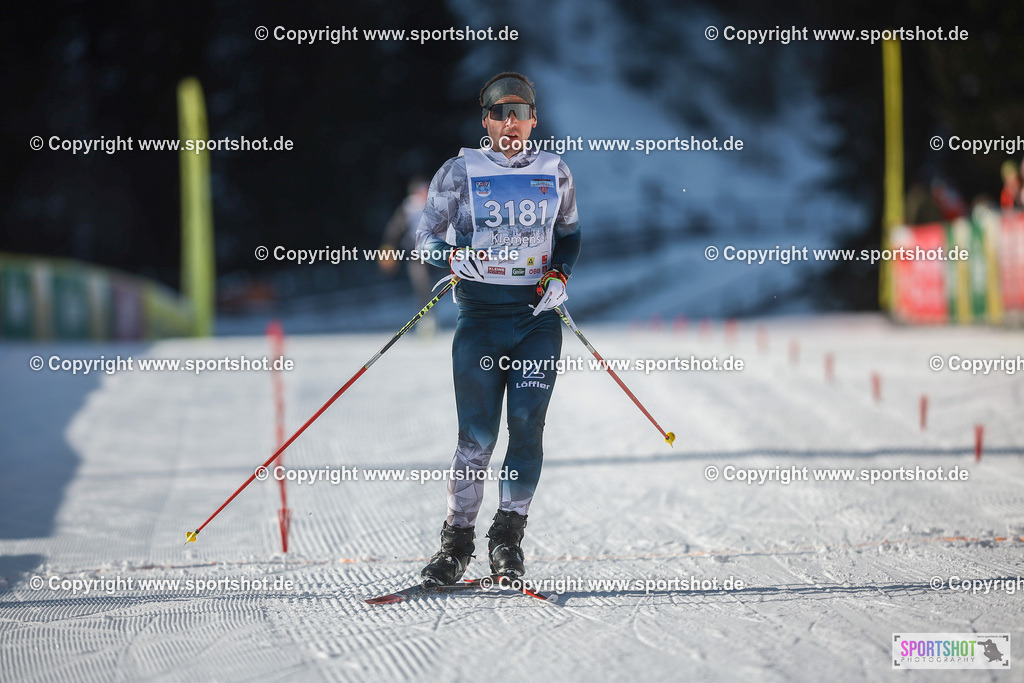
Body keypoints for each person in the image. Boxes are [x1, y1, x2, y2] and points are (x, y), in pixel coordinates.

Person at [415, 71, 581, 585]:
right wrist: (452, 256)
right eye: (501, 113)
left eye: (521, 113)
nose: (512, 124)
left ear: (534, 120)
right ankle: (456, 543)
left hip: (536, 322)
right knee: (477, 435)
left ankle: (507, 540)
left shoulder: (556, 172)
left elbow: (569, 236)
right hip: (481, 320)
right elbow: (424, 239)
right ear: (486, 120)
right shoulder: (458, 171)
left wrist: (559, 274)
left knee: (527, 428)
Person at [378, 177, 438, 335]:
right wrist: (388, 246)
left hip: (438, 250)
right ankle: (426, 319)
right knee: (421, 283)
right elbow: (395, 228)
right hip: (416, 252)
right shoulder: (409, 207)